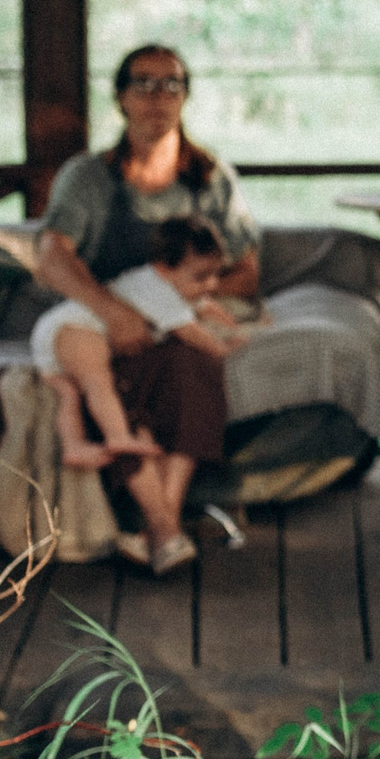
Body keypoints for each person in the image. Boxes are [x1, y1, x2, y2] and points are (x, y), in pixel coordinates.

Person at [32, 44, 259, 553]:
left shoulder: (210, 178)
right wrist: (115, 311)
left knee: (193, 363)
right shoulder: (88, 176)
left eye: (172, 84)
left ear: (186, 97)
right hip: (103, 323)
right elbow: (50, 256)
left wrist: (181, 298)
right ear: (120, 97)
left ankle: (162, 524)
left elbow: (247, 272)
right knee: (112, 387)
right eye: (144, 83)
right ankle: (165, 528)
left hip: (168, 323)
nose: (159, 96)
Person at [30, 217, 258, 573]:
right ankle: (159, 516)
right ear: (164, 268)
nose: (212, 285)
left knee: (74, 395)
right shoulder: (153, 288)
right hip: (72, 330)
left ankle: (153, 532)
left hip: (62, 337)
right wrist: (225, 346)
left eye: (215, 276)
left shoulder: (165, 287)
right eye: (201, 277)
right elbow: (192, 332)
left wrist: (227, 319)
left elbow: (200, 307)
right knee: (99, 384)